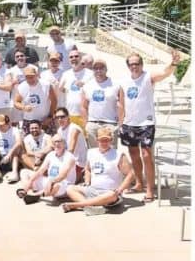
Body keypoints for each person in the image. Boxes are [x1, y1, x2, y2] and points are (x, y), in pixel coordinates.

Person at [118, 50, 180, 203]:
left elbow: (165, 73)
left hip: (146, 123)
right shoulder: (124, 82)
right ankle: (139, 183)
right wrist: (121, 123)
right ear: (128, 66)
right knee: (134, 155)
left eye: (137, 63)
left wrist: (173, 63)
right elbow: (122, 104)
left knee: (146, 155)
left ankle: (150, 189)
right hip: (129, 124)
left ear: (142, 64)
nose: (134, 66)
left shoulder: (148, 77)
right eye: (131, 64)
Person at [63, 127, 135, 214]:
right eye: (101, 140)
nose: (104, 143)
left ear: (111, 140)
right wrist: (87, 181)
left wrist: (120, 189)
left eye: (107, 140)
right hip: (93, 190)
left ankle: (78, 205)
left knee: (112, 195)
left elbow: (131, 174)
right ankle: (90, 206)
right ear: (97, 140)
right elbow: (88, 169)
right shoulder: (91, 152)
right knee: (70, 189)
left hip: (109, 192)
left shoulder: (118, 154)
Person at [17, 135, 76, 204]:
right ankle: (27, 192)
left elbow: (62, 176)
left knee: (57, 185)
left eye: (59, 141)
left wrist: (51, 181)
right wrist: (29, 183)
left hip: (64, 185)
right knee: (24, 172)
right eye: (55, 142)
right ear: (52, 145)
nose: (57, 144)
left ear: (64, 143)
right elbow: (41, 171)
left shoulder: (69, 157)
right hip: (49, 182)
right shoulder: (51, 154)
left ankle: (36, 195)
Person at [81, 59, 120, 148]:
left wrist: (120, 124)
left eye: (101, 68)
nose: (98, 71)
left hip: (110, 124)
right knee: (93, 152)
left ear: (106, 69)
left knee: (111, 152)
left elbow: (121, 104)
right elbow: (83, 107)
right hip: (93, 124)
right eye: (96, 68)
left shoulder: (116, 85)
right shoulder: (87, 86)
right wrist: (86, 124)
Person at [13, 65, 56, 135]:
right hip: (29, 120)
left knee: (49, 139)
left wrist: (50, 116)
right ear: (25, 77)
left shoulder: (46, 85)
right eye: (27, 77)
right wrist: (23, 107)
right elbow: (16, 102)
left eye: (32, 76)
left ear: (36, 75)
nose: (30, 79)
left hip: (45, 119)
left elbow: (54, 101)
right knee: (28, 141)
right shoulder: (21, 87)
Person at [58, 48, 93, 130]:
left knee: (85, 137)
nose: (73, 58)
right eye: (71, 57)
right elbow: (61, 90)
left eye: (76, 56)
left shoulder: (90, 74)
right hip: (70, 114)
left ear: (81, 58)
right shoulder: (66, 74)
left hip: (85, 114)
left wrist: (85, 85)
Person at [55, 107, 87, 182]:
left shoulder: (74, 129)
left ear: (68, 117)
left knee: (62, 182)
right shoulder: (59, 130)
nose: (60, 119)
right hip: (66, 160)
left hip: (78, 163)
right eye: (57, 117)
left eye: (62, 117)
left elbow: (71, 150)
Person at [0, 113, 23, 183]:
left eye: (2, 125)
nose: (0, 127)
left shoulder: (15, 130)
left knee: (16, 151)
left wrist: (8, 155)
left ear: (8, 123)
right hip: (0, 157)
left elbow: (19, 142)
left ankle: (15, 173)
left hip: (11, 157)